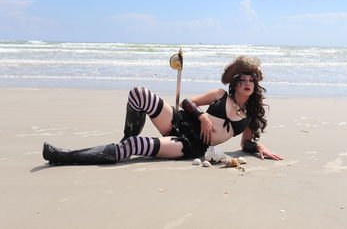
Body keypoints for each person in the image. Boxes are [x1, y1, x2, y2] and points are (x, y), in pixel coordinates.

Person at [42, 56, 283, 165]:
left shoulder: (249, 117)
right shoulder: (220, 95)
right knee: (138, 93)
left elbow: (246, 144)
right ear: (234, 83)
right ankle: (126, 139)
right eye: (242, 79)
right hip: (180, 120)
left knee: (136, 149)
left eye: (251, 79)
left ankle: (64, 156)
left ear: (256, 84)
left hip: (190, 145)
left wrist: (260, 147)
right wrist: (201, 116)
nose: (247, 82)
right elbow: (186, 102)